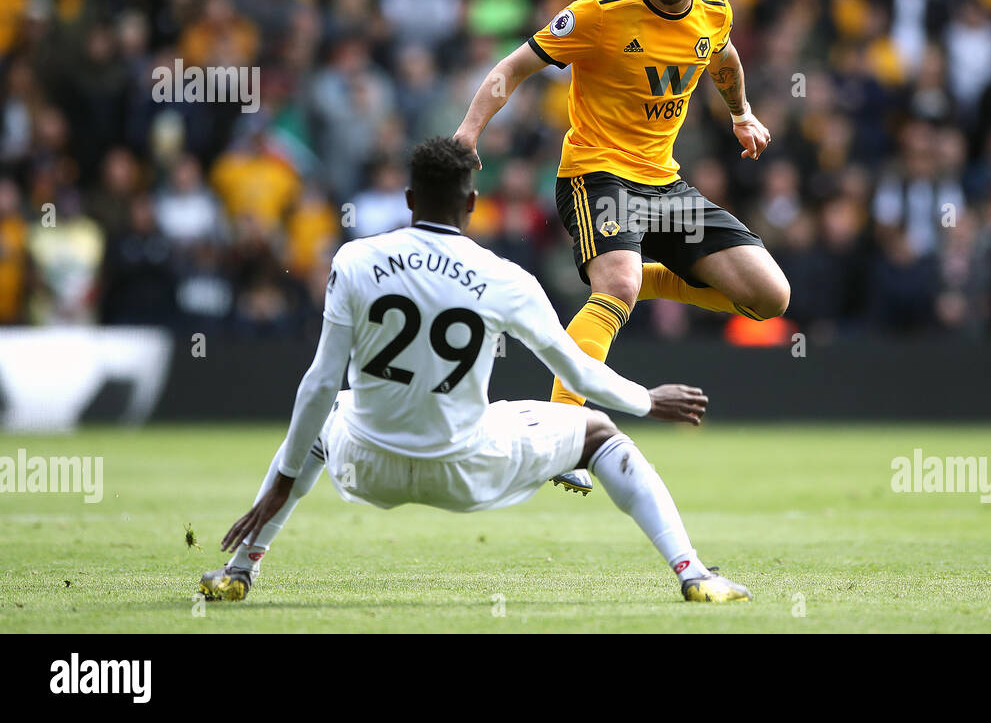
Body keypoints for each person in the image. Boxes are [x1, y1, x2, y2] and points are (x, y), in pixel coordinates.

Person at [198, 138, 750, 604]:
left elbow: (320, 381)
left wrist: (285, 480)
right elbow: (579, 375)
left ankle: (239, 571)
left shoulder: (354, 260)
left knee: (330, 412)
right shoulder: (504, 277)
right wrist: (650, 401)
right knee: (600, 434)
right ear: (473, 202)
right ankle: (693, 574)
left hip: (368, 465)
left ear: (410, 198)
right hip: (468, 467)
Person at [454, 0, 790, 494]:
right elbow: (512, 68)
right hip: (596, 173)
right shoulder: (600, 11)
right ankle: (566, 433)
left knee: (769, 297)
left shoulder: (714, 10)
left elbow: (723, 55)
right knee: (617, 285)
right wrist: (467, 137)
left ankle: (649, 277)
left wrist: (741, 112)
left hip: (664, 184)